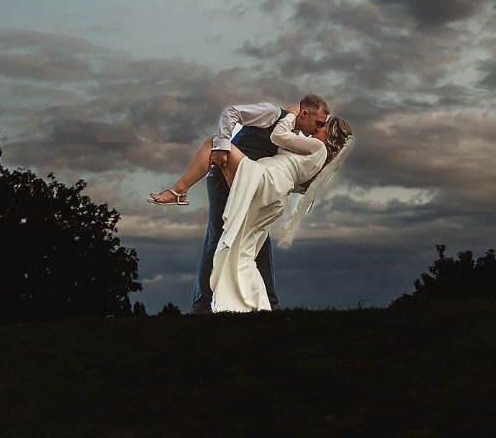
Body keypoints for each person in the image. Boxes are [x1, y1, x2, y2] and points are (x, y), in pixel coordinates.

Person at [149, 115, 353, 312]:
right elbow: (286, 149)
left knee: (216, 143)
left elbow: (277, 137)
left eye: (323, 127)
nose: (317, 128)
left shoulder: (317, 147)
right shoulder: (320, 160)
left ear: (331, 134)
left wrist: (291, 116)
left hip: (264, 179)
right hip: (274, 194)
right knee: (242, 251)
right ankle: (255, 302)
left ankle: (178, 191)